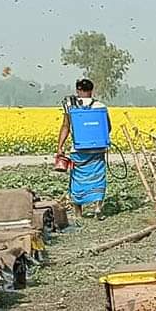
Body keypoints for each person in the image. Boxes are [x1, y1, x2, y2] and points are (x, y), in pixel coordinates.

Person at [54, 78, 109, 218]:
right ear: (91, 90)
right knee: (98, 177)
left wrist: (60, 147)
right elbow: (107, 127)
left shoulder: (71, 107)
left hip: (78, 151)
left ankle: (78, 212)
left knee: (77, 179)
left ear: (78, 90)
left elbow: (65, 127)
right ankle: (97, 206)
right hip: (98, 149)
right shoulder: (100, 106)